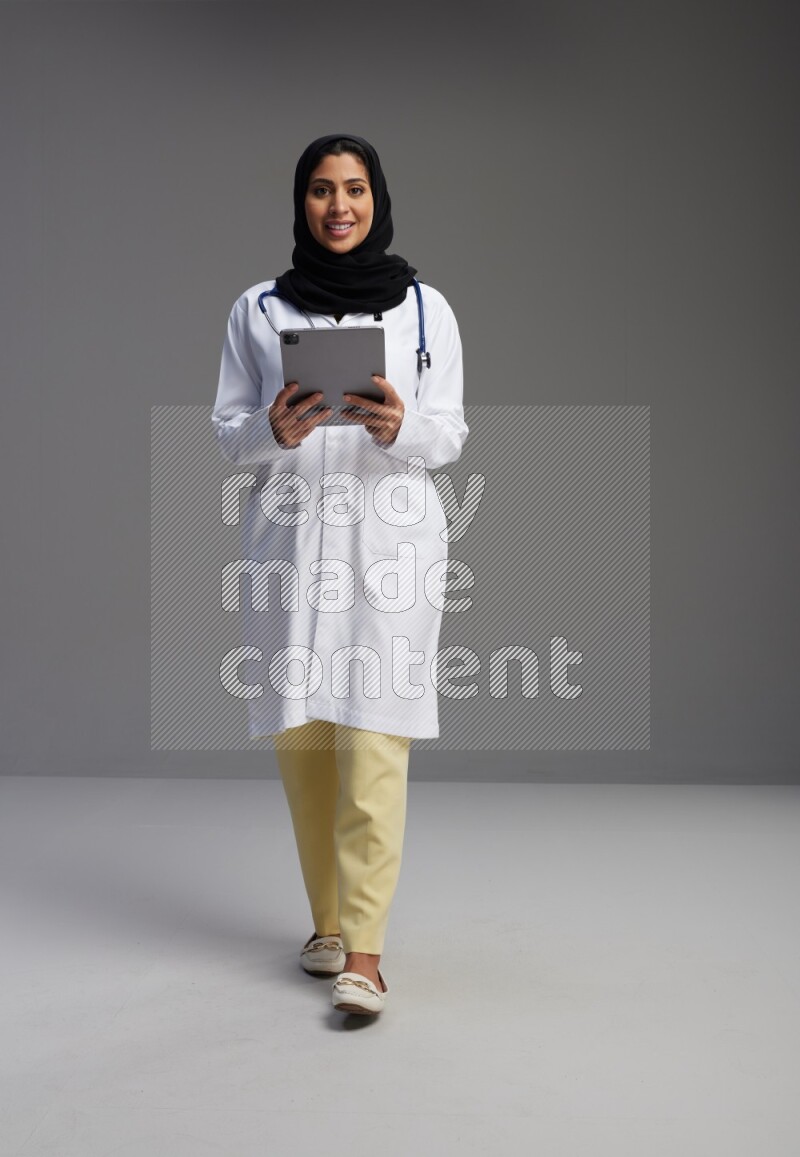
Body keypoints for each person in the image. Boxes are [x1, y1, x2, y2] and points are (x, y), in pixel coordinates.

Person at [211, 133, 468, 1015]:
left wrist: (402, 427)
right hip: (291, 543)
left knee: (373, 741)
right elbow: (227, 430)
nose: (339, 206)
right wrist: (271, 433)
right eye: (322, 190)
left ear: (377, 197)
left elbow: (450, 435)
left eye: (354, 188)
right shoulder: (257, 309)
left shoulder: (426, 310)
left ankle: (365, 948)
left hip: (390, 548)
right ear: (302, 203)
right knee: (306, 742)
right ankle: (324, 921)